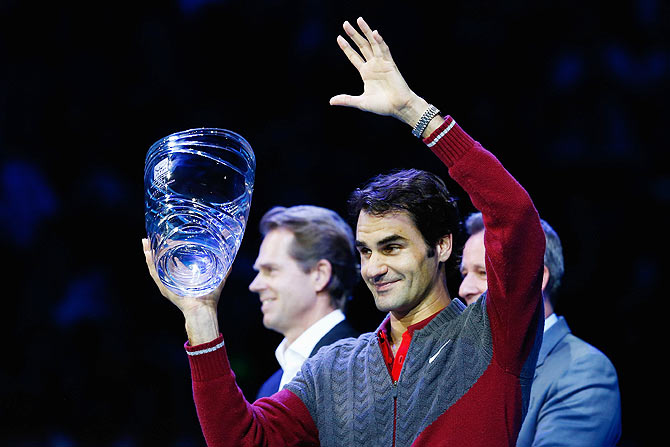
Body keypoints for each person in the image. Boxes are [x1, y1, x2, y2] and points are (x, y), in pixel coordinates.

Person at [143, 17, 546, 446]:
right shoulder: (332, 370)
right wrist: (201, 316)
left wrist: (413, 110)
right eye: (365, 251)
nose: (375, 267)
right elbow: (241, 441)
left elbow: (515, 216)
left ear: (442, 245)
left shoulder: (493, 334)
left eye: (392, 247)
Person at [459, 212, 622, 446]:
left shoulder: (584, 371)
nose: (464, 289)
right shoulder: (465, 367)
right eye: (464, 274)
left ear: (535, 278)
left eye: (483, 272)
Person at [249, 205, 359, 399]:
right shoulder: (271, 387)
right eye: (259, 272)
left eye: (270, 270)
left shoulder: (358, 366)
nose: (255, 285)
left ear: (319, 274)